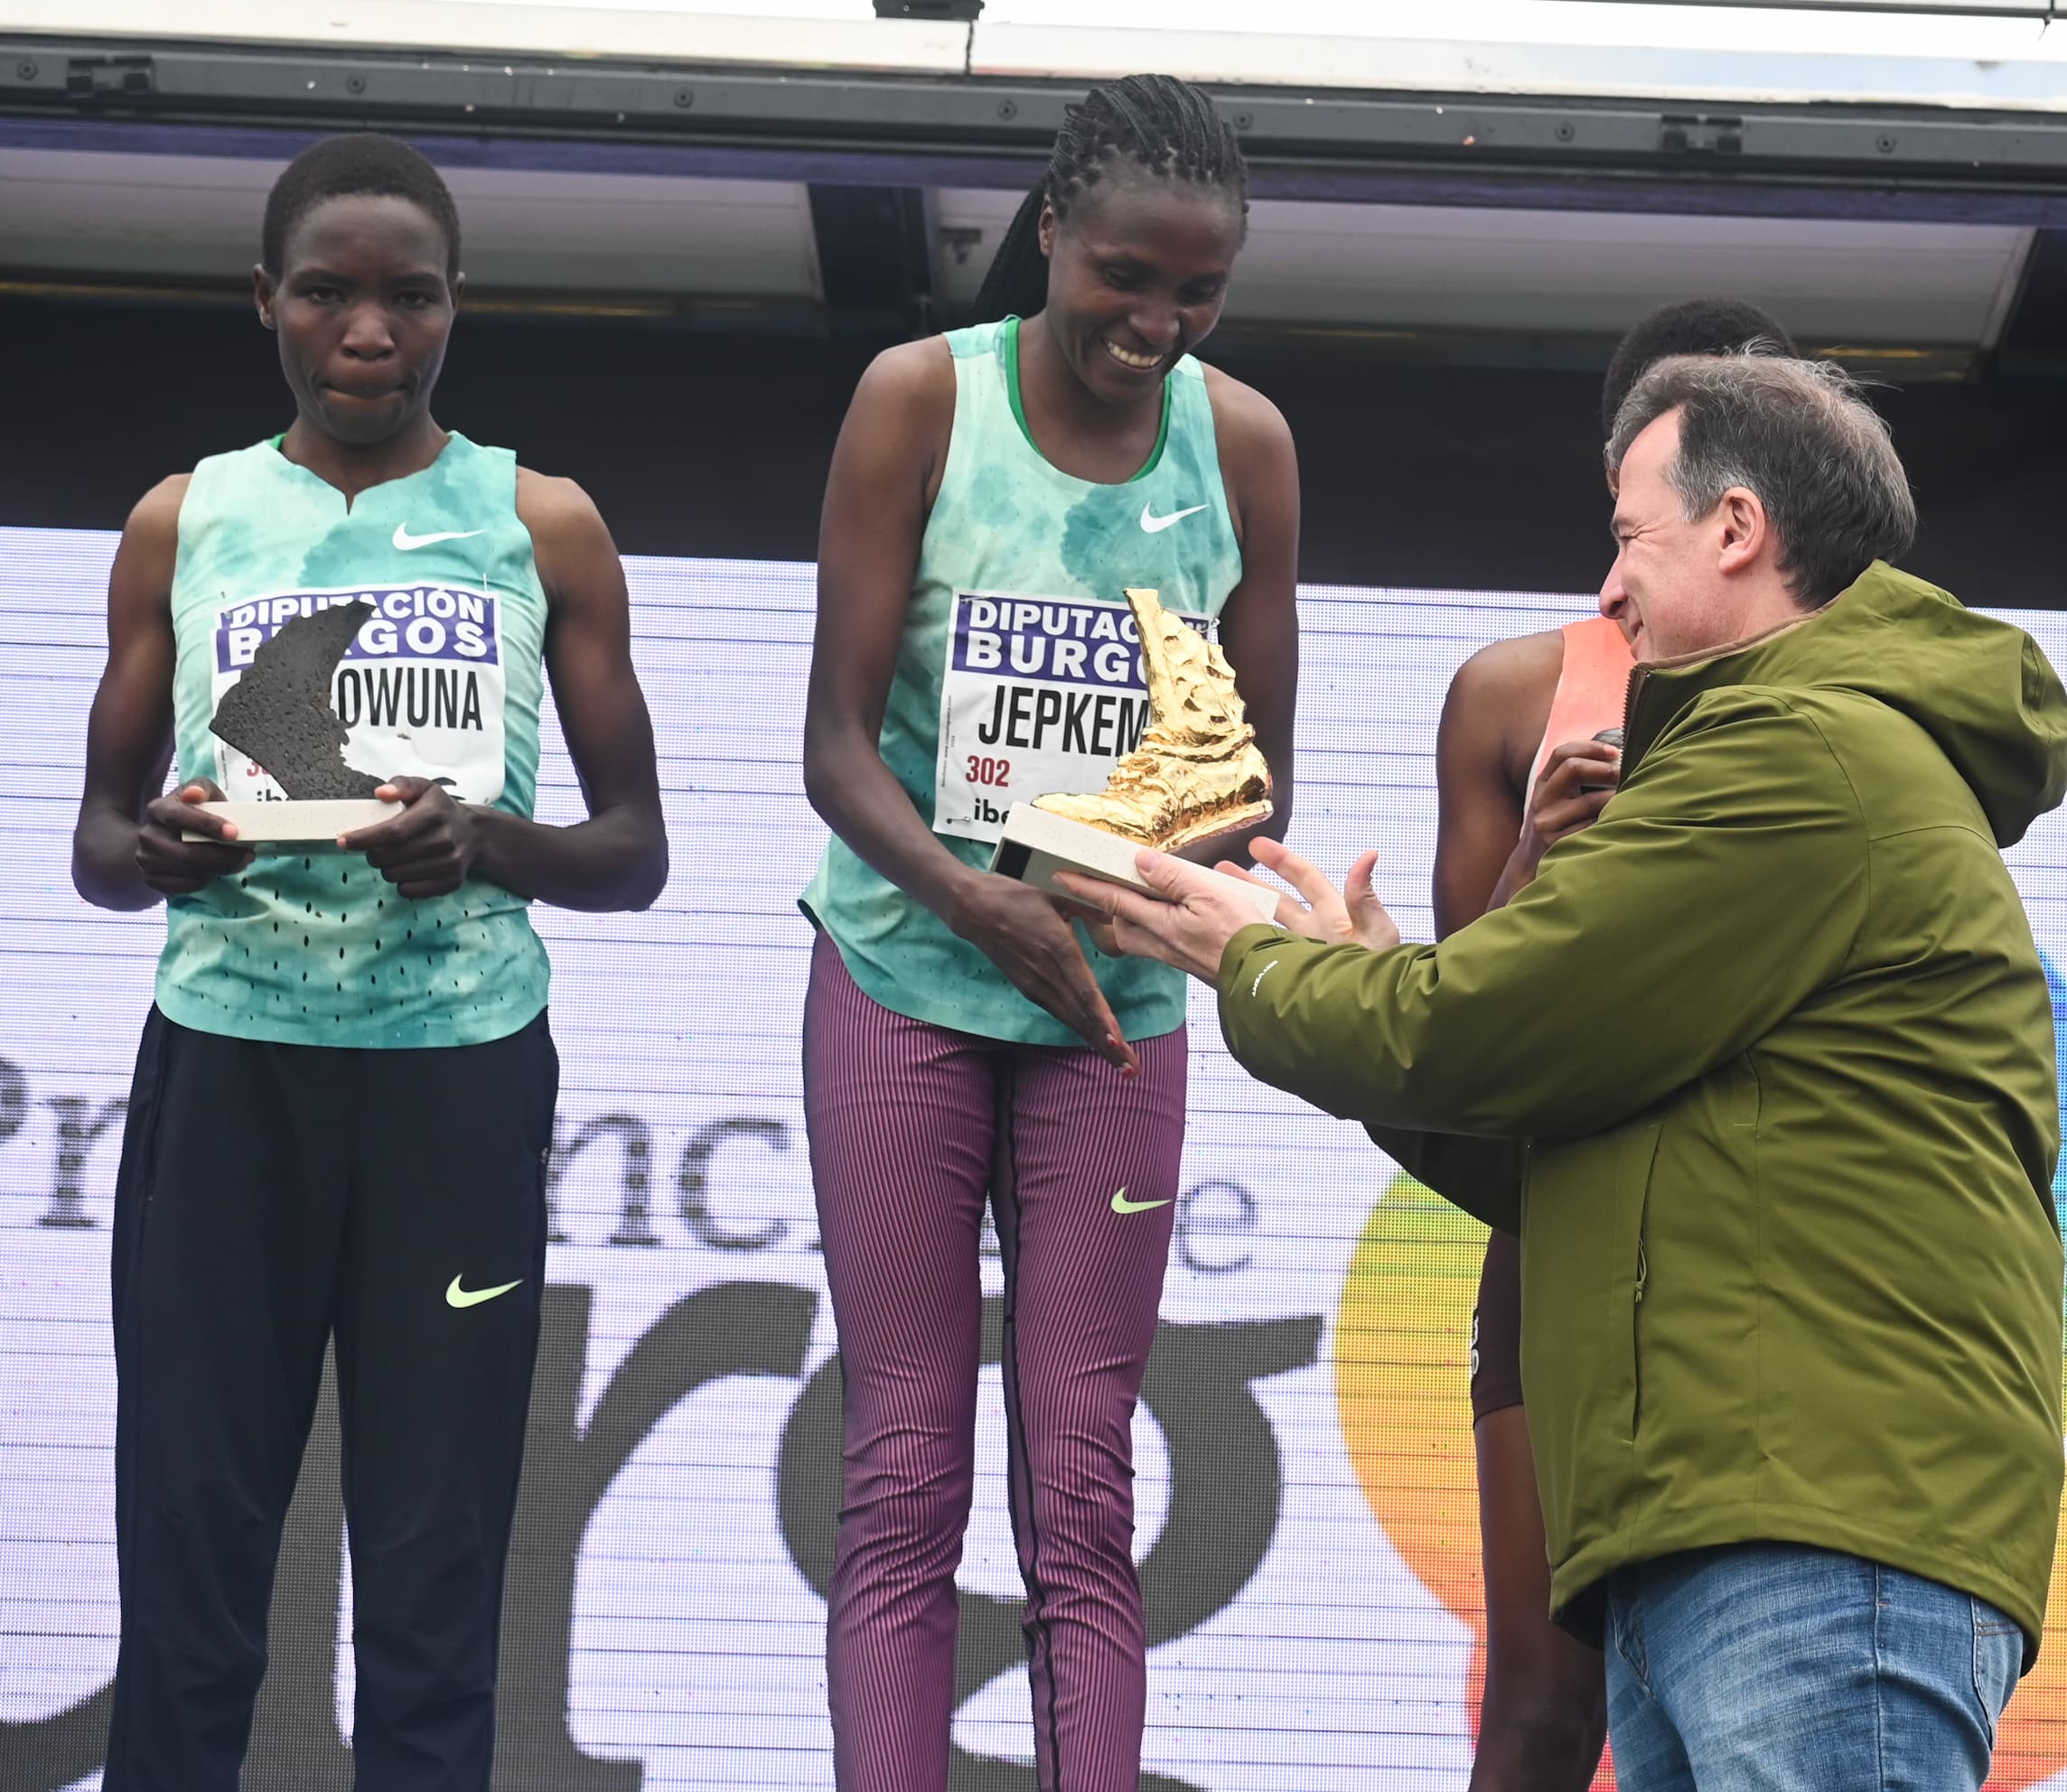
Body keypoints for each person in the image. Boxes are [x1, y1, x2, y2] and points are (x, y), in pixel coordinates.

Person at [1072, 350, 2067, 1789]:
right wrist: (1349, 983)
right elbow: (1536, 1138)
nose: (1605, 593)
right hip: (1719, 1537)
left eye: (1627, 539)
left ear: (1737, 530)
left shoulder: (1798, 752)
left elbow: (1474, 1029)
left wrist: (1264, 962)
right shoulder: (1792, 751)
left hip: (1816, 1529)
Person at [70, 133, 668, 1787]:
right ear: (264, 300)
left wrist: (485, 841)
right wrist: (166, 845)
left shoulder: (541, 522)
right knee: (190, 1535)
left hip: (456, 1082)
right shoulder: (183, 520)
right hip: (228, 1065)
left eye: (409, 297)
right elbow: (99, 852)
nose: (367, 331)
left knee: (435, 1552)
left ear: (455, 309)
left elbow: (635, 853)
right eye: (327, 293)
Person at [798, 72, 1299, 1792]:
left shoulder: (1242, 443)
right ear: (1050, 229)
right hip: (904, 978)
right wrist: (976, 899)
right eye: (1126, 277)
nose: (1155, 322)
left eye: (1197, 291)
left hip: (1115, 1013)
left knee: (1082, 1484)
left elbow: (1255, 778)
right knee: (904, 1478)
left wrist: (1134, 866)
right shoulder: (918, 401)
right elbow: (835, 746)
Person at [1434, 298, 1795, 1792]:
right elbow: (1455, 1034)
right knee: (1543, 1704)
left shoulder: (1867, 704)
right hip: (1563, 1241)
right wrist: (1533, 862)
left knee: (1754, 1686)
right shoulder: (1517, 691)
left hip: (1770, 1251)